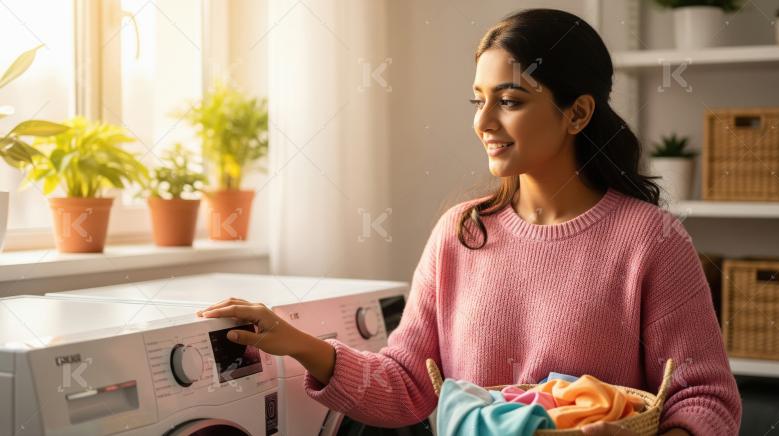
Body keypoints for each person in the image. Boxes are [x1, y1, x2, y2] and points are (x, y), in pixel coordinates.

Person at [199, 9, 741, 436]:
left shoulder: (651, 241)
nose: (483, 122)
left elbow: (707, 400)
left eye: (509, 101)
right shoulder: (460, 235)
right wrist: (293, 340)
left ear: (577, 113)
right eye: (478, 100)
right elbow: (408, 384)